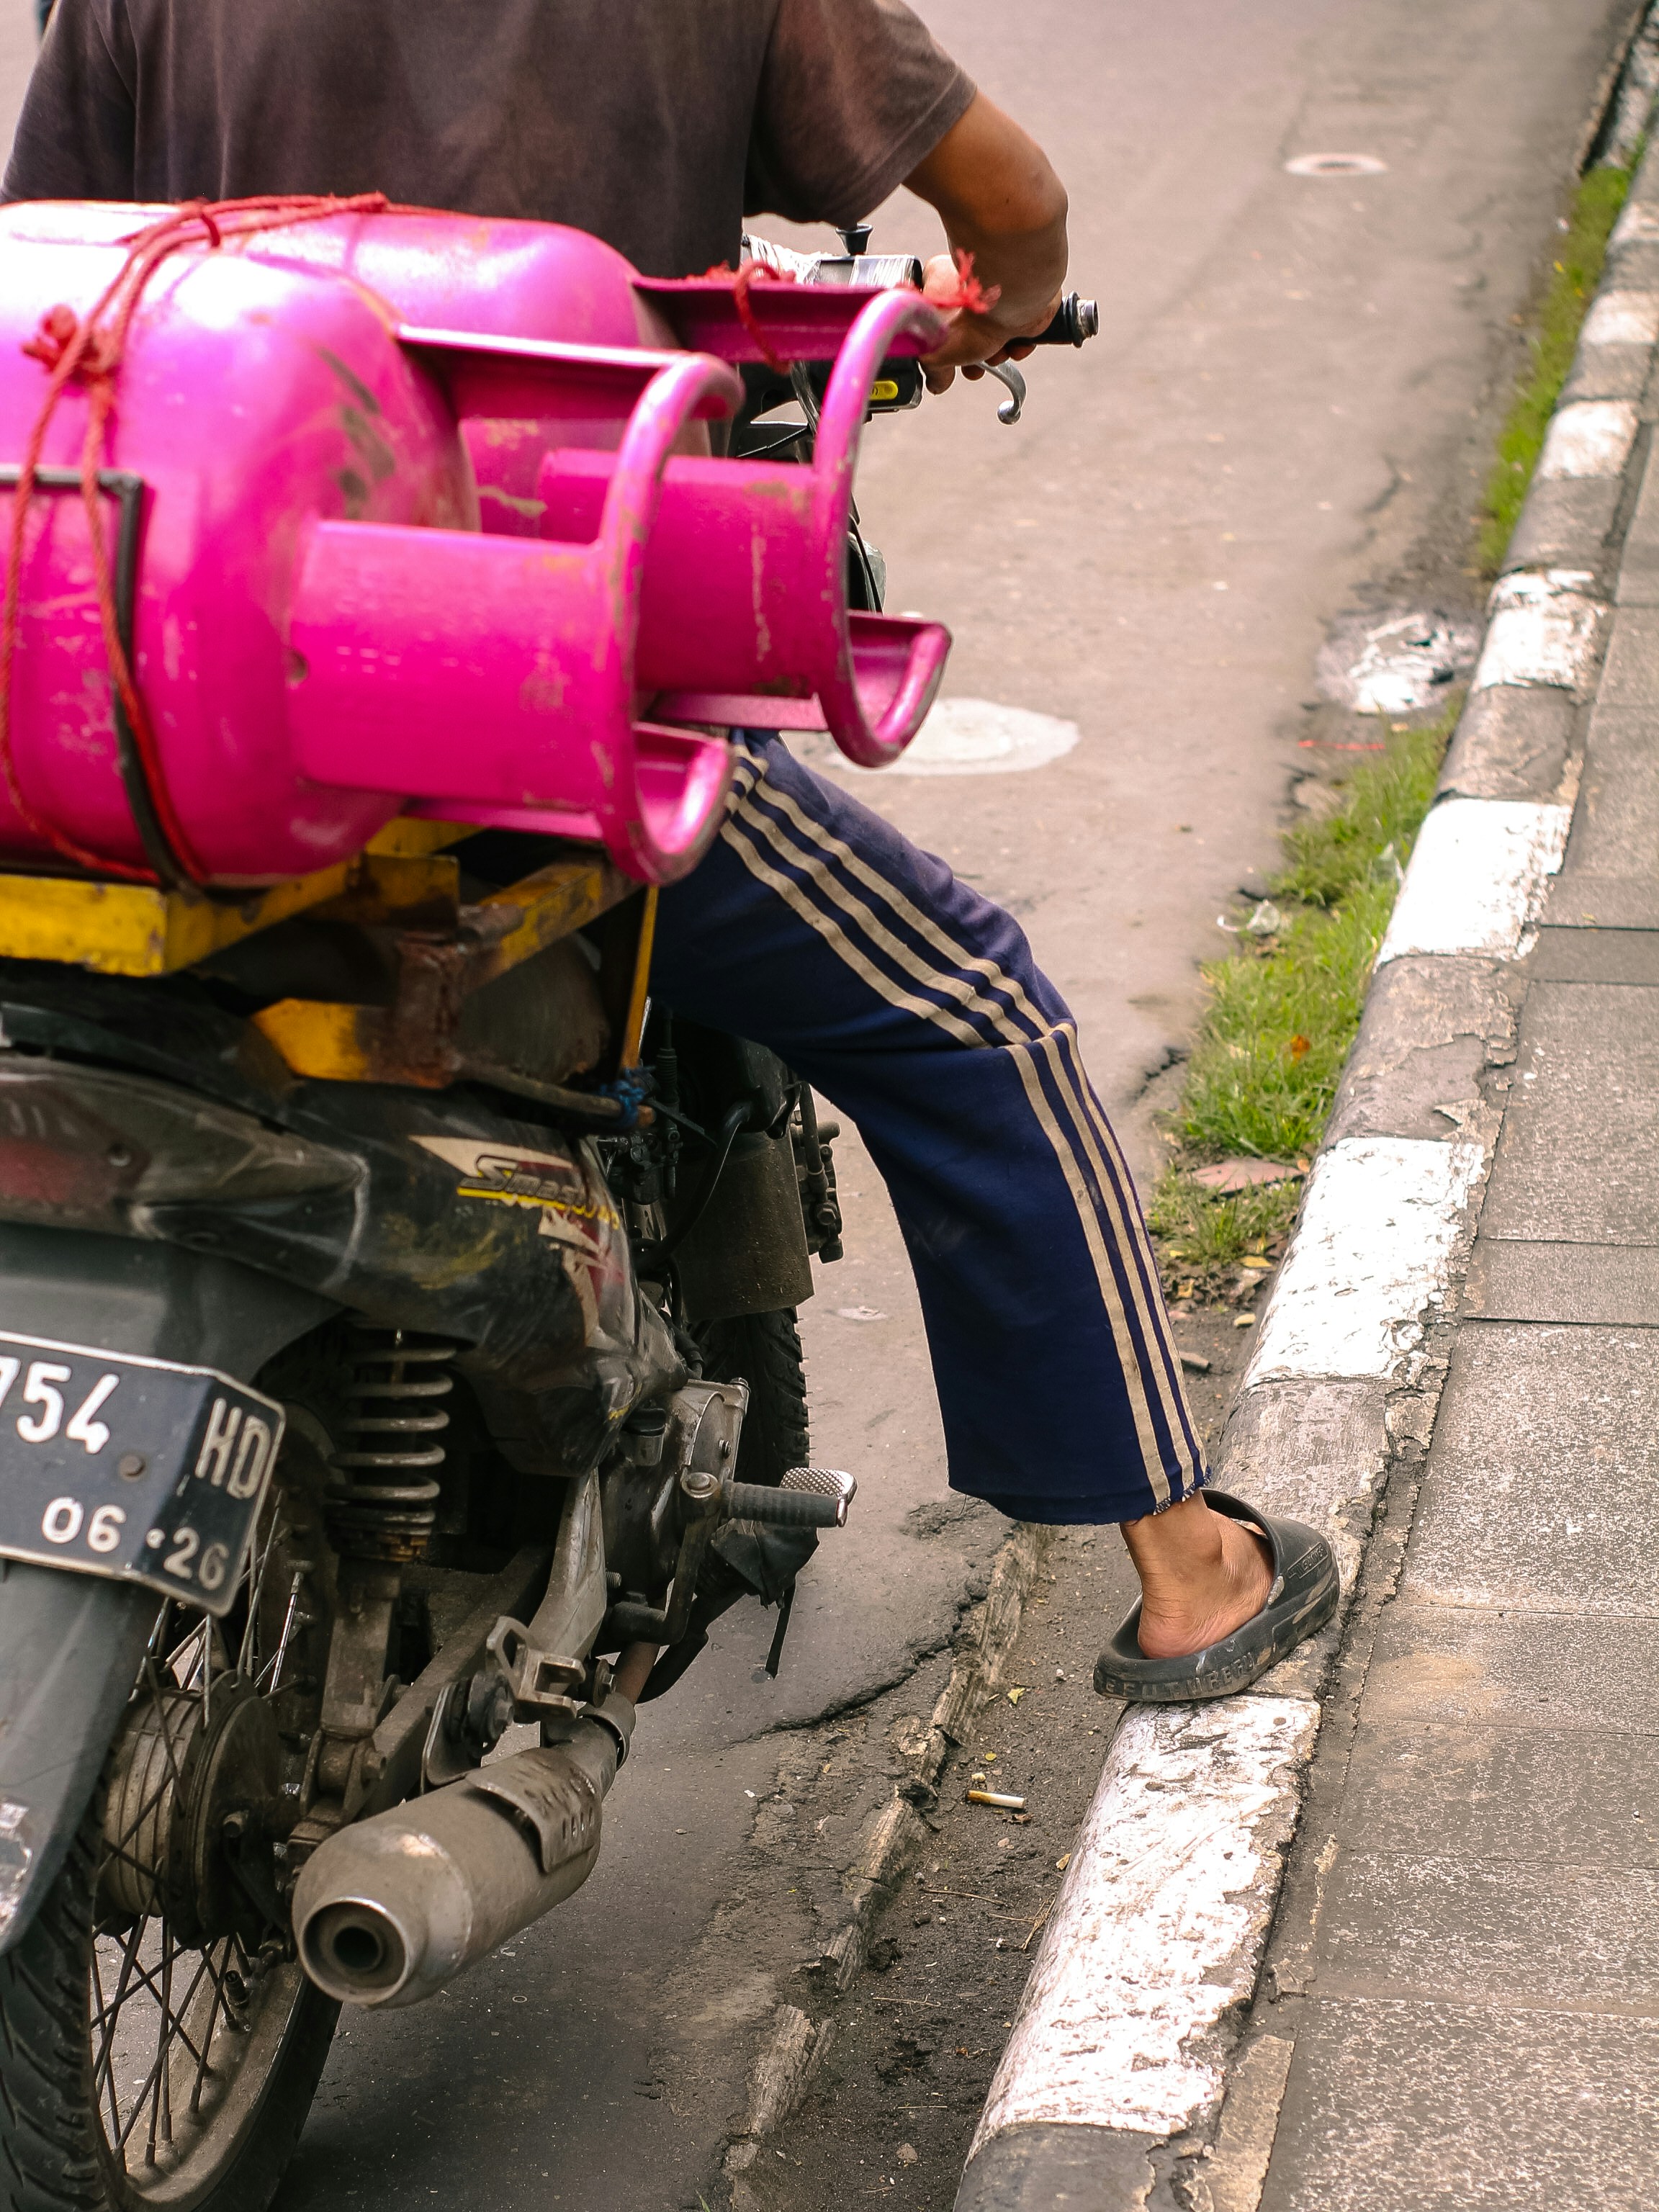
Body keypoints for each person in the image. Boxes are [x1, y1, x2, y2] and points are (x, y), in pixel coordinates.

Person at [1, 0, 1336, 1702]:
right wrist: (997, 303)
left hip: (135, 708)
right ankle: (1193, 1573)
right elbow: (1011, 202)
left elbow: (56, 265)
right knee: (974, 1009)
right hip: (519, 708)